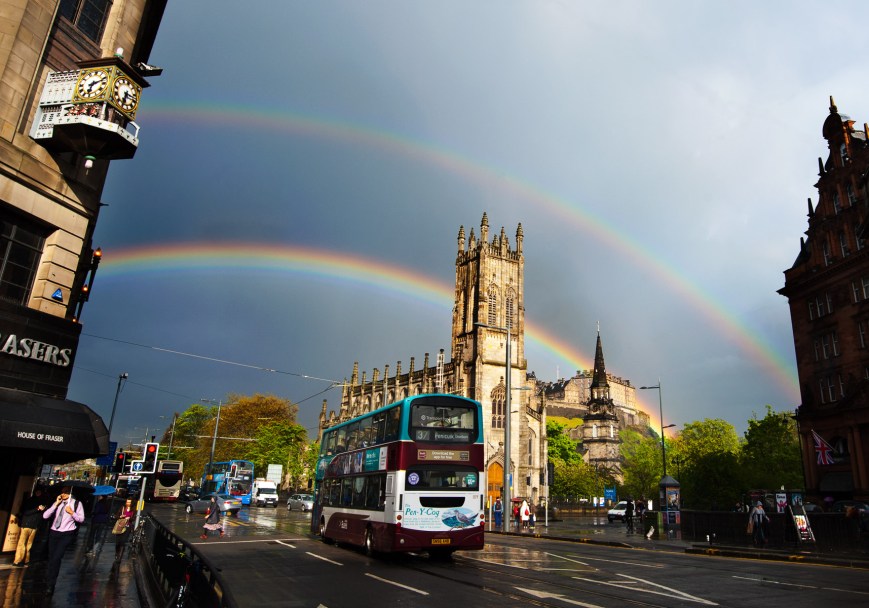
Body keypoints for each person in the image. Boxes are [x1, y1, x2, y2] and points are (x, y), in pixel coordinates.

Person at [42, 486, 85, 595]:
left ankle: (50, 585)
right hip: (54, 533)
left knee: (57, 558)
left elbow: (81, 519)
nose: (63, 494)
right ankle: (49, 579)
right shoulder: (58, 503)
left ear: (70, 493)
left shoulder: (76, 504)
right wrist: (55, 504)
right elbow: (45, 516)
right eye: (62, 492)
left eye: (66, 492)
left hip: (67, 533)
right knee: (51, 558)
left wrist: (71, 512)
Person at [12, 488, 47, 567]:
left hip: (32, 526)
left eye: (39, 491)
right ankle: (20, 560)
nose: (38, 493)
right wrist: (37, 509)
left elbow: (27, 512)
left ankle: (22, 560)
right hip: (28, 525)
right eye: (37, 491)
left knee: (27, 544)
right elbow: (26, 512)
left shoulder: (41, 502)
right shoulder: (31, 501)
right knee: (23, 543)